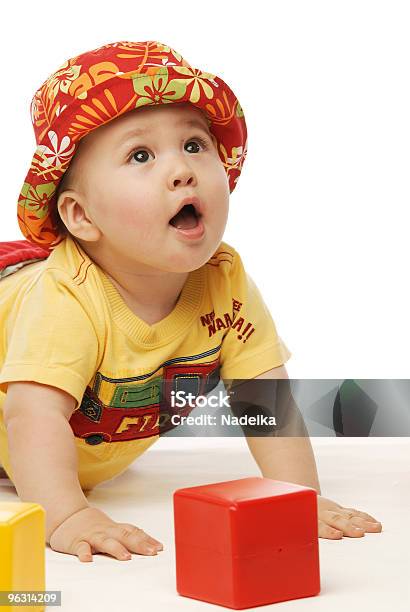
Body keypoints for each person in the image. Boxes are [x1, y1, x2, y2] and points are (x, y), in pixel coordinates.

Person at [0, 40, 382, 563]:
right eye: (141, 155)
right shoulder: (66, 295)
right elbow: (32, 415)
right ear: (82, 217)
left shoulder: (226, 283)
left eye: (196, 146)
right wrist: (66, 513)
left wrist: (298, 497)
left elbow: (265, 404)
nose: (182, 170)